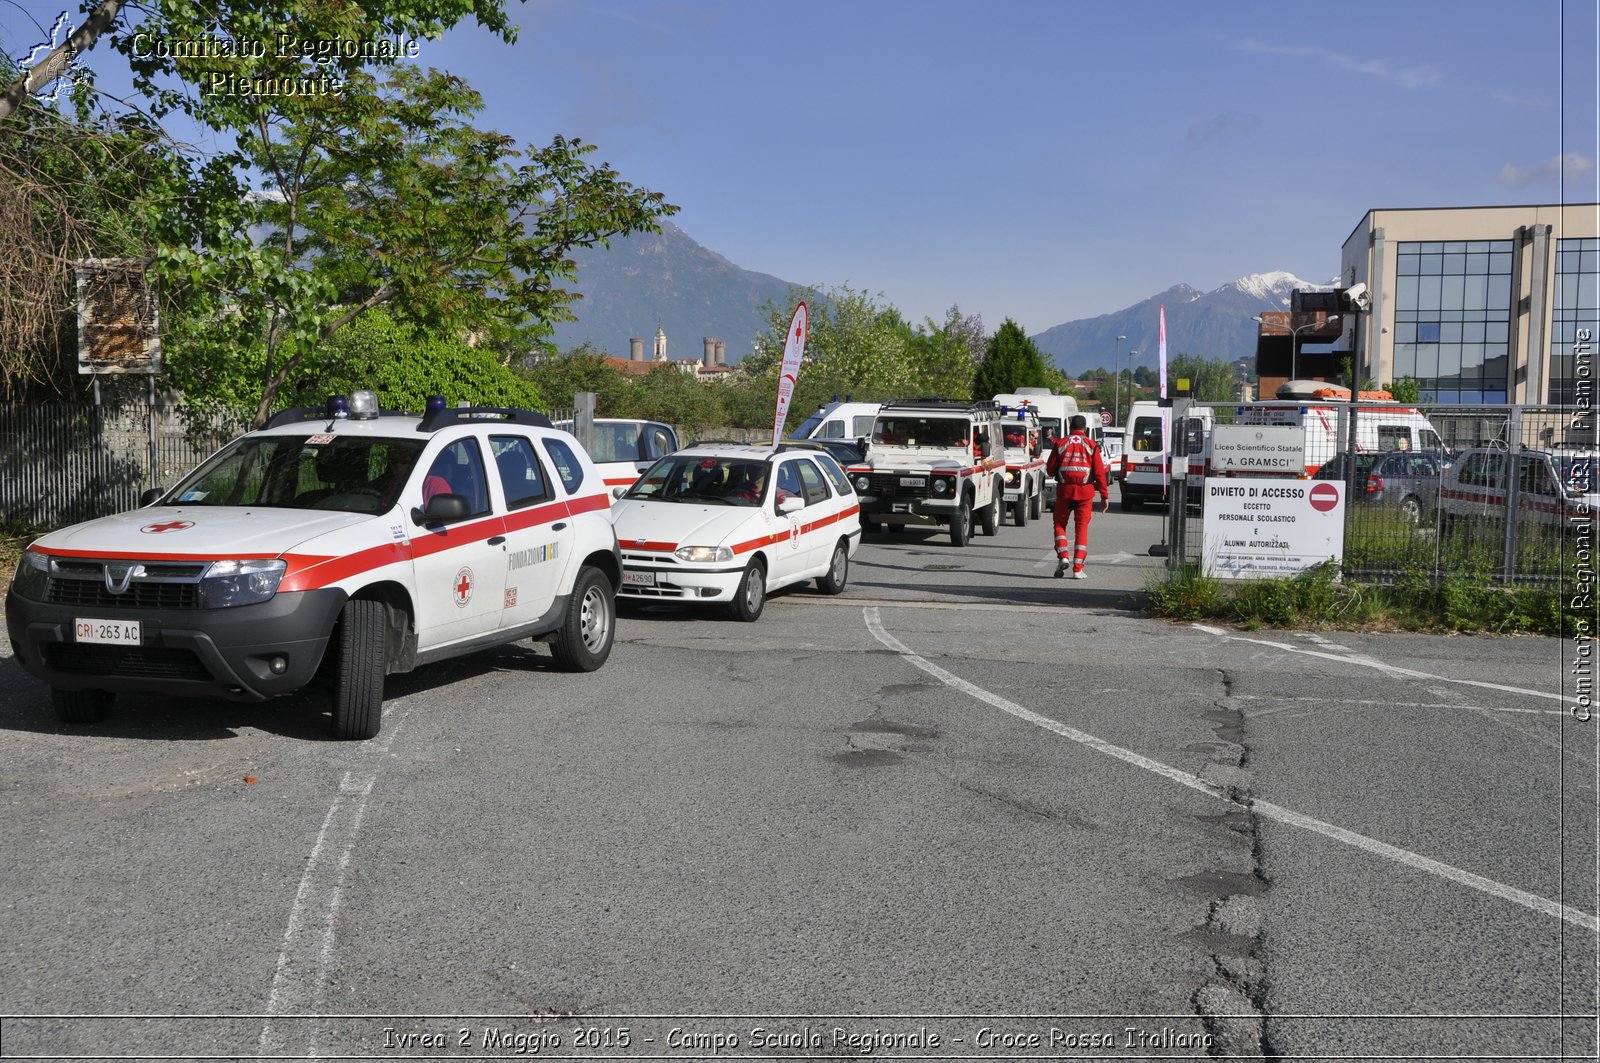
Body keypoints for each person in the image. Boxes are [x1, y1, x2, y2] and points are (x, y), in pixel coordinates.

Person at [1046, 414, 1109, 579]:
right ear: (1085, 429)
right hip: (1085, 493)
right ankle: (1078, 569)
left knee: (1060, 524)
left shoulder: (1060, 444)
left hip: (1064, 491)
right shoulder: (1091, 445)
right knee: (1081, 529)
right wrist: (1104, 495)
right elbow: (1100, 473)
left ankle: (1063, 556)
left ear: (1069, 428)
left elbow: (1050, 470)